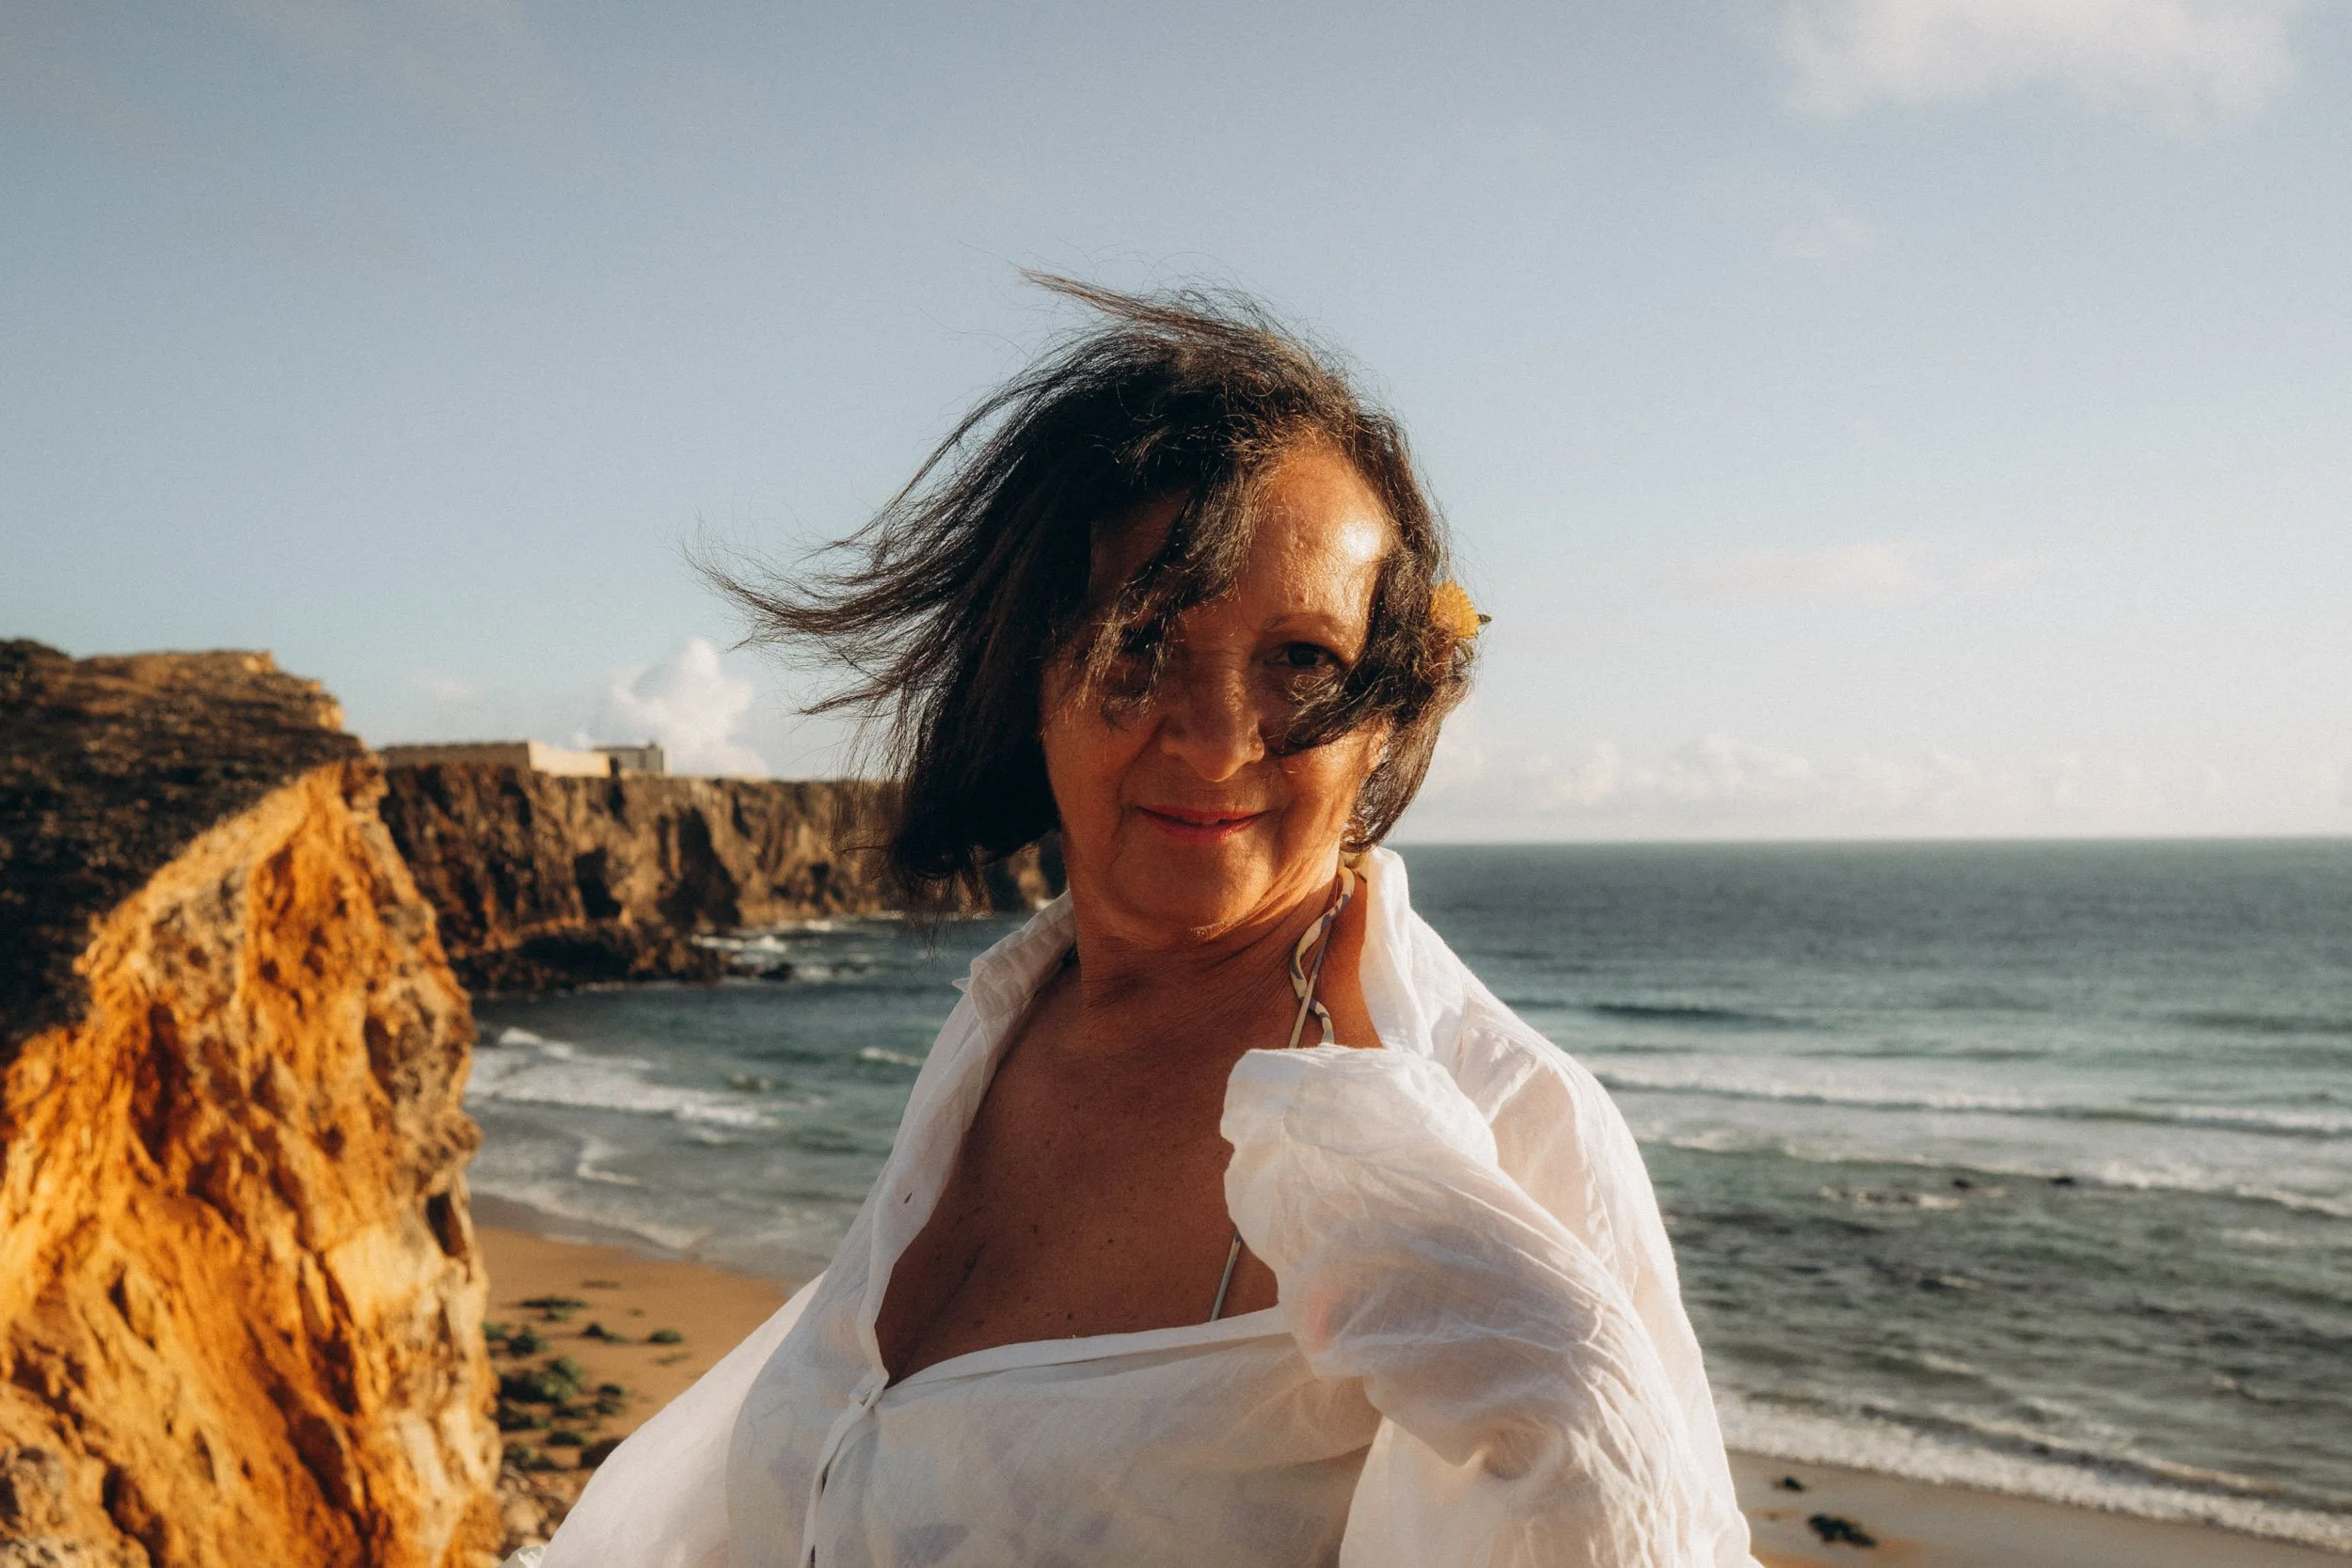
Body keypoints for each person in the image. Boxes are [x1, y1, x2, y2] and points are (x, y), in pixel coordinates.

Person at [524, 281, 1758, 1568]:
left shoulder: (1507, 1128)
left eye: (1303, 662)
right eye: (1143, 641)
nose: (1218, 737)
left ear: (1387, 712)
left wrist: (1565, 1380)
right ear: (1030, 671)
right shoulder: (1009, 1021)